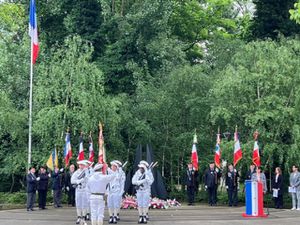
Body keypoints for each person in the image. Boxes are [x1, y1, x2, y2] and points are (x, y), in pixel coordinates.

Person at [71, 160, 89, 225]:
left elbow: (89, 180)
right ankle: (79, 217)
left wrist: (85, 179)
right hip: (78, 189)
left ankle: (83, 218)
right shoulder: (76, 173)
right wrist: (79, 181)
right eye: (80, 165)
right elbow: (72, 181)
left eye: (82, 165)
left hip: (84, 190)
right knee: (78, 203)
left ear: (84, 166)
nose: (81, 166)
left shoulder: (87, 172)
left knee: (84, 204)